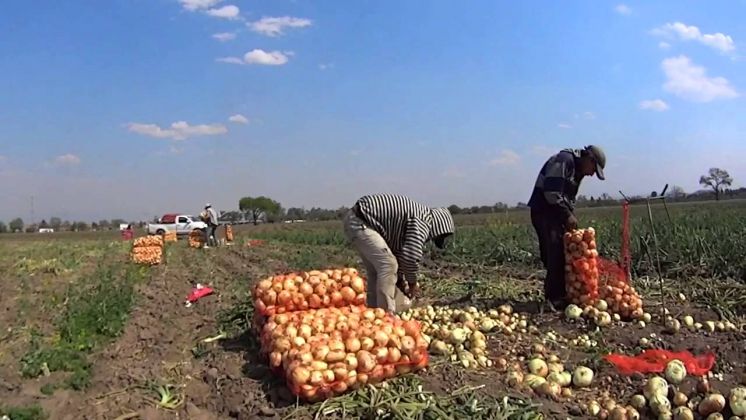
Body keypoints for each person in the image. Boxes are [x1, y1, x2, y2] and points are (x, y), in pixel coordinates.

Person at [343, 193, 455, 313]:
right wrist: (412, 283)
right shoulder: (423, 221)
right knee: (388, 265)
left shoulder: (417, 216)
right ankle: (386, 317)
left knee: (377, 270)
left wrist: (400, 280)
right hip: (361, 221)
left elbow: (399, 251)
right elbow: (410, 256)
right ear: (439, 227)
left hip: (356, 220)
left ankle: (373, 313)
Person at [527, 145, 606, 311]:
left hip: (556, 213)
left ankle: (565, 293)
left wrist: (570, 215)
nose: (592, 174)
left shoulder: (578, 170)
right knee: (555, 250)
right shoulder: (565, 160)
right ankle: (554, 298)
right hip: (544, 211)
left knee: (563, 252)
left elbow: (569, 199)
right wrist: (567, 215)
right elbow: (551, 193)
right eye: (594, 169)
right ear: (589, 159)